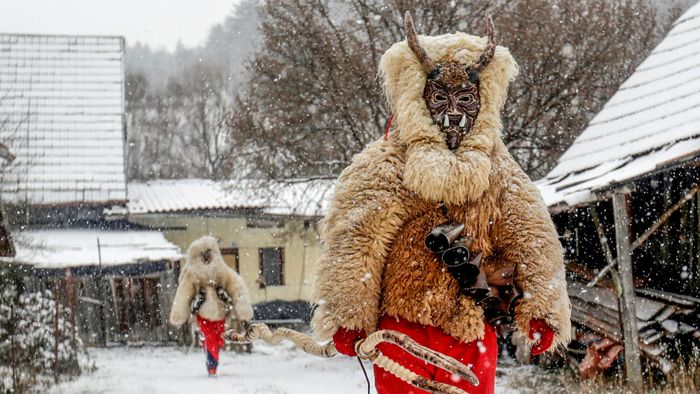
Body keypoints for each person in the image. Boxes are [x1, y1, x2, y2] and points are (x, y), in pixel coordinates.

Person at [311, 12, 571, 393]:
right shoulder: (385, 165)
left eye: (465, 99)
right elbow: (356, 241)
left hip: (469, 327)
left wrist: (542, 311)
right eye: (439, 98)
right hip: (399, 330)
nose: (452, 113)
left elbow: (530, 237)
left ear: (482, 99)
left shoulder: (499, 171)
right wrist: (349, 314)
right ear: (418, 96)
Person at [170, 236, 254, 376]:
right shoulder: (192, 274)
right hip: (202, 315)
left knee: (217, 340)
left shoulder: (223, 272)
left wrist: (242, 308)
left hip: (221, 314)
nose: (207, 259)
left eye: (209, 256)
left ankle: (212, 363)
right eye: (204, 257)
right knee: (210, 340)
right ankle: (212, 366)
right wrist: (179, 314)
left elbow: (237, 287)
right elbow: (183, 293)